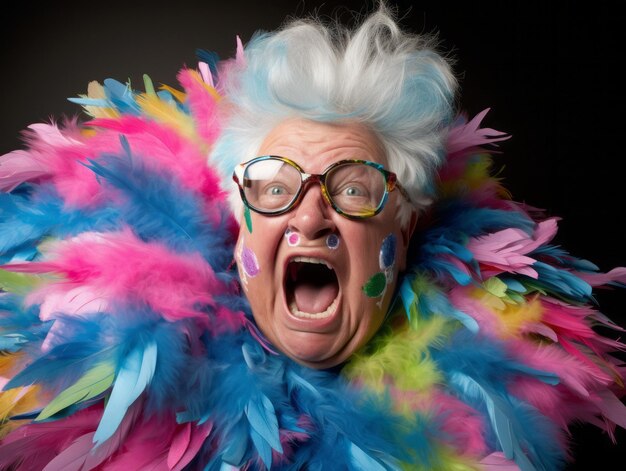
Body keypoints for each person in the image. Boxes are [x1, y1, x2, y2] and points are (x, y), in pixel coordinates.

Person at [0, 4, 624, 470]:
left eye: (353, 188)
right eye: (274, 186)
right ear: (239, 222)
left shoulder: (481, 423)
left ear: (402, 232)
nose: (308, 217)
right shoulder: (125, 386)